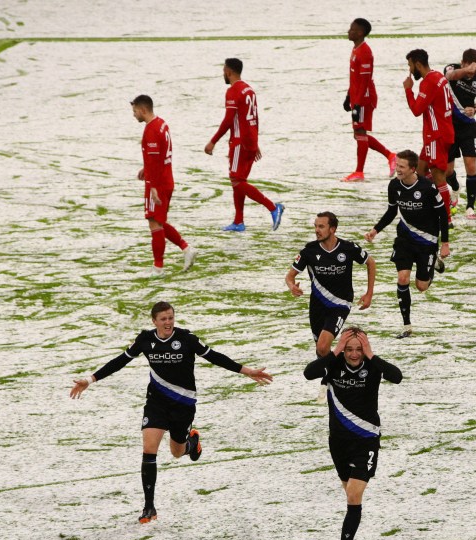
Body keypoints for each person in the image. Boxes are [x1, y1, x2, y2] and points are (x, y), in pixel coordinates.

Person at [69, 301, 273, 523]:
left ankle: (191, 443)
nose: (168, 322)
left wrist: (247, 371)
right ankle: (149, 507)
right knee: (149, 449)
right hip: (156, 403)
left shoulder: (186, 339)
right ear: (154, 321)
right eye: (163, 319)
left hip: (183, 403)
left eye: (171, 318)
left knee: (176, 452)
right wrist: (90, 379)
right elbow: (120, 361)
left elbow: (215, 356)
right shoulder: (145, 340)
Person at [303, 327, 402, 540]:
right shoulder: (333, 365)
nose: (355, 354)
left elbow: (397, 376)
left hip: (366, 439)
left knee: (353, 495)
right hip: (338, 443)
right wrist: (334, 352)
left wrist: (372, 355)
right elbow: (309, 373)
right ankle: (351, 530)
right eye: (350, 349)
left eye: (359, 349)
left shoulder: (372, 366)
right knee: (350, 495)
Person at [365, 150, 449, 338]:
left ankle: (433, 262)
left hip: (427, 241)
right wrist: (375, 230)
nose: (397, 169)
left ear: (413, 169)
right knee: (402, 278)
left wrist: (445, 243)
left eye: (401, 167)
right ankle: (406, 325)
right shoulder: (394, 186)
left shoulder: (428, 188)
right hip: (404, 239)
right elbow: (391, 211)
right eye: (397, 165)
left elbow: (442, 214)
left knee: (421, 286)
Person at [205, 58, 284, 232]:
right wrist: (255, 142)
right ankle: (239, 221)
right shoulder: (249, 90)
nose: (223, 74)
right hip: (249, 140)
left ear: (228, 71)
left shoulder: (233, 91)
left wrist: (213, 141)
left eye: (223, 70)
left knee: (237, 181)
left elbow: (228, 120)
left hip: (240, 142)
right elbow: (253, 118)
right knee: (239, 180)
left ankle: (272, 207)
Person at [286, 212, 376, 358]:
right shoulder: (309, 251)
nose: (317, 230)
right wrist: (292, 287)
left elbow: (370, 263)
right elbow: (290, 276)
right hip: (317, 305)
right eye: (315, 226)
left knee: (322, 346)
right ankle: (330, 378)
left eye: (321, 226)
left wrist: (369, 293)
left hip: (340, 304)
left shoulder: (348, 248)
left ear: (333, 229)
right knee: (320, 351)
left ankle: (346, 365)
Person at [131, 95, 197, 276]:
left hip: (158, 183)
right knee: (158, 221)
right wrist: (146, 167)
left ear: (143, 110)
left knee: (154, 223)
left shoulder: (151, 129)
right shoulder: (162, 123)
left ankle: (158, 267)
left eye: (135, 111)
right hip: (166, 179)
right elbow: (158, 155)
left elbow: (154, 158)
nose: (134, 115)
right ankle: (186, 248)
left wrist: (152, 186)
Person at [341, 18, 397, 183]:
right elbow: (355, 78)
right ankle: (390, 155)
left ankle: (359, 172)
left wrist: (357, 104)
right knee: (359, 134)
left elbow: (365, 82)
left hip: (364, 98)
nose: (348, 31)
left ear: (360, 32)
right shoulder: (356, 49)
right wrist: (348, 96)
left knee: (360, 133)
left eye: (351, 29)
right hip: (357, 97)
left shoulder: (365, 52)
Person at [404, 49, 455, 223]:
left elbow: (417, 110)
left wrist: (408, 91)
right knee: (420, 170)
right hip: (443, 132)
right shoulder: (439, 76)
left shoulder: (429, 82)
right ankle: (427, 206)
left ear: (418, 65)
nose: (410, 70)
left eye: (410, 65)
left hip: (436, 136)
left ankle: (445, 219)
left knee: (439, 176)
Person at [443, 49, 476, 220]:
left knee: (471, 166)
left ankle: (470, 206)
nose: (471, 74)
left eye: (474, 70)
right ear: (462, 63)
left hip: (468, 127)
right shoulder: (451, 69)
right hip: (449, 126)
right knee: (447, 171)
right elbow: (450, 76)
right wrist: (465, 71)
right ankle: (455, 187)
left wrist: (474, 109)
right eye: (468, 69)